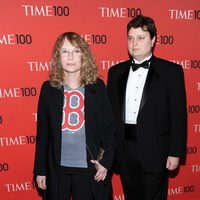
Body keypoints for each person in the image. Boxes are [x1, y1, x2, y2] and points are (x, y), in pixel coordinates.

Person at [107, 15, 187, 200]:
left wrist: (175, 153)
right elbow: (110, 116)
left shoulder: (171, 72)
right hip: (125, 150)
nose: (134, 43)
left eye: (141, 38)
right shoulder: (115, 72)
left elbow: (178, 115)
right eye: (130, 38)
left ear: (153, 40)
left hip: (155, 150)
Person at [34, 32, 116, 200]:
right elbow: (43, 134)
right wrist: (40, 170)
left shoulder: (97, 87)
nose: (70, 57)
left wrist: (106, 162)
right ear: (58, 57)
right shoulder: (48, 89)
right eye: (64, 51)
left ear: (83, 55)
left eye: (76, 51)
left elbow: (109, 130)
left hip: (89, 169)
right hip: (57, 169)